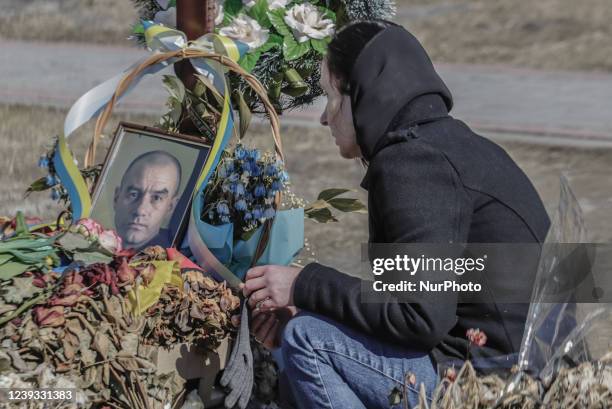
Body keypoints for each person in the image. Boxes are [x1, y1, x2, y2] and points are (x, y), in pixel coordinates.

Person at [241, 21, 550, 408]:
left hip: (498, 386)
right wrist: (318, 306)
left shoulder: (414, 164)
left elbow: (418, 316)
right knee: (309, 329)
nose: (324, 118)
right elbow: (416, 305)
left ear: (364, 94)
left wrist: (306, 285)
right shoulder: (447, 148)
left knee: (309, 339)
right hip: (522, 367)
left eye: (330, 97)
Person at [113, 150, 182, 250]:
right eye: (133, 194)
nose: (140, 211)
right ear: (116, 198)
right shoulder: (91, 238)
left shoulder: (175, 262)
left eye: (156, 198)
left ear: (170, 207)